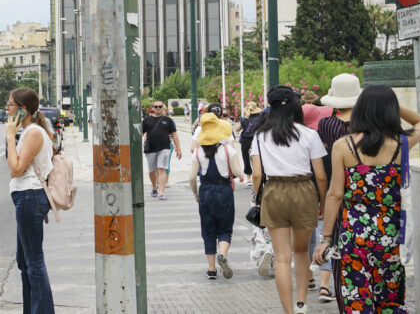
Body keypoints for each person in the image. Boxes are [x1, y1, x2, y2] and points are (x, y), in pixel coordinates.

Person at [312, 84, 420, 313]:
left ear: (360, 109)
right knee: (389, 301)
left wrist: (326, 238)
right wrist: (390, 104)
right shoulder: (401, 144)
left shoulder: (343, 146)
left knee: (356, 299)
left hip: (354, 236)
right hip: (391, 236)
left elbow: (335, 195)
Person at [251, 86, 328, 314]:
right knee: (301, 251)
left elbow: (256, 174)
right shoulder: (309, 134)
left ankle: (288, 311)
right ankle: (302, 301)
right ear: (295, 105)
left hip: (274, 190)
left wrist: (260, 198)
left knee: (282, 258)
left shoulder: (260, 135)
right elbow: (321, 176)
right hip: (303, 189)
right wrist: (322, 202)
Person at [4, 87, 54, 314]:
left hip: (30, 196)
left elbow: (16, 169)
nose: (7, 108)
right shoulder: (28, 131)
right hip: (27, 197)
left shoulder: (33, 132)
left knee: (33, 262)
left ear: (22, 109)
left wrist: (8, 136)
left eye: (10, 105)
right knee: (24, 261)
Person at [189, 113, 245, 280]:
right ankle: (223, 254)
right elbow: (236, 172)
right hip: (224, 191)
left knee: (208, 230)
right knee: (225, 228)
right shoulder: (229, 150)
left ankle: (212, 269)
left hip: (205, 191)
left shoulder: (198, 152)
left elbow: (192, 177)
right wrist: (240, 175)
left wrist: (196, 194)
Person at [141, 101, 181, 200]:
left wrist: (178, 148)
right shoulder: (147, 120)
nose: (158, 108)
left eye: (160, 106)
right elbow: (140, 134)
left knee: (162, 169)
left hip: (164, 148)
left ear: (163, 108)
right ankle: (154, 187)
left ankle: (161, 192)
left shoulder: (168, 120)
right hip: (150, 149)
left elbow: (174, 134)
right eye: (156, 106)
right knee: (152, 171)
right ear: (152, 108)